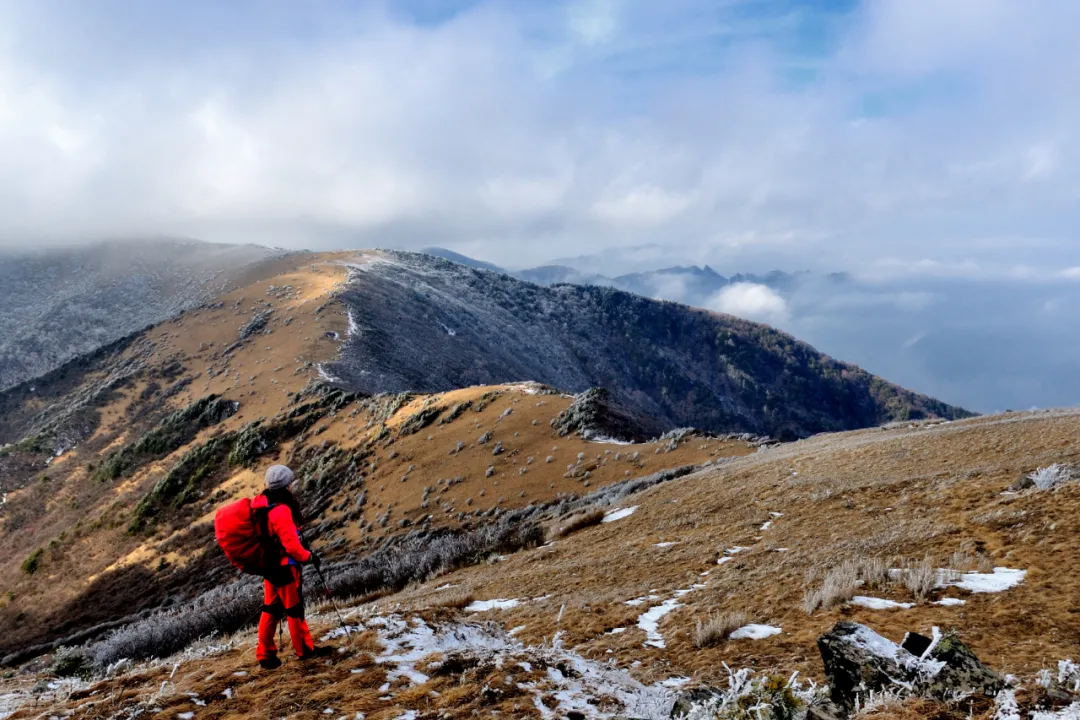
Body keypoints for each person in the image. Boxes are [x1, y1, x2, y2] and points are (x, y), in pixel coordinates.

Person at [252, 464, 332, 669]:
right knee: (295, 610)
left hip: (269, 567)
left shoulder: (261, 505)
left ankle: (265, 654)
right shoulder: (281, 510)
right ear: (286, 486)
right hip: (286, 569)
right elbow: (291, 546)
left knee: (270, 609)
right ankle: (304, 650)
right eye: (290, 483)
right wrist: (309, 557)